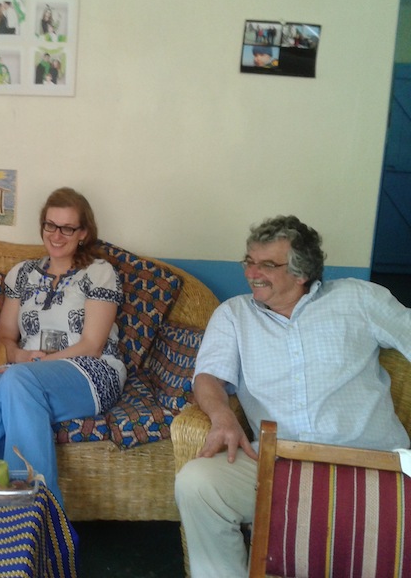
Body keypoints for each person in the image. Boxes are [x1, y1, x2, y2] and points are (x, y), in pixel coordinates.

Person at [174, 215, 411, 578]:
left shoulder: (359, 298)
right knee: (197, 484)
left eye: (267, 265)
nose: (252, 273)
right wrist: (221, 416)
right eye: (249, 261)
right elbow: (207, 377)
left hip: (374, 462)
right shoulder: (234, 315)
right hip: (278, 463)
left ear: (302, 273)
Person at [0, 187, 125, 507]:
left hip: (90, 371)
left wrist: (29, 366)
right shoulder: (22, 274)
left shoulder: (99, 273)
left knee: (17, 380)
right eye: (50, 225)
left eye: (67, 228)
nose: (56, 235)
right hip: (26, 371)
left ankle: (31, 505)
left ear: (83, 233)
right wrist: (17, 355)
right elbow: (6, 335)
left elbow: (92, 345)